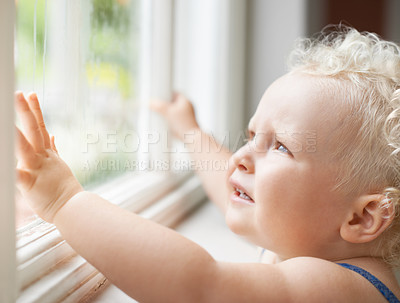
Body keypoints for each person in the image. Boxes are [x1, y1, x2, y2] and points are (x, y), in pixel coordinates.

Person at [15, 26, 400, 302]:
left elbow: (198, 287)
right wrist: (191, 131)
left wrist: (64, 202)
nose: (240, 158)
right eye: (251, 137)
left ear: (362, 218)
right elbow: (229, 183)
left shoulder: (342, 289)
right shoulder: (314, 239)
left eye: (281, 147)